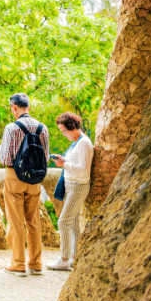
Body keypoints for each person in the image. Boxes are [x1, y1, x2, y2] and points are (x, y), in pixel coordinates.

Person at [0, 93, 50, 276]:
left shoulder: (12, 128)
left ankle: (18, 264)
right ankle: (36, 263)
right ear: (29, 107)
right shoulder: (43, 128)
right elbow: (46, 157)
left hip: (14, 178)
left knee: (16, 221)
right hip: (34, 180)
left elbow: (5, 159)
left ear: (14, 107)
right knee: (33, 221)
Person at [47, 112, 94, 271]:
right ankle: (74, 256)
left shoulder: (84, 143)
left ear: (73, 127)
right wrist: (64, 160)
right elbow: (75, 163)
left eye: (64, 131)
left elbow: (83, 169)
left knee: (63, 221)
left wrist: (64, 165)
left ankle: (64, 258)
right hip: (70, 185)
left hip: (78, 186)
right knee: (72, 224)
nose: (63, 134)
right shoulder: (76, 142)